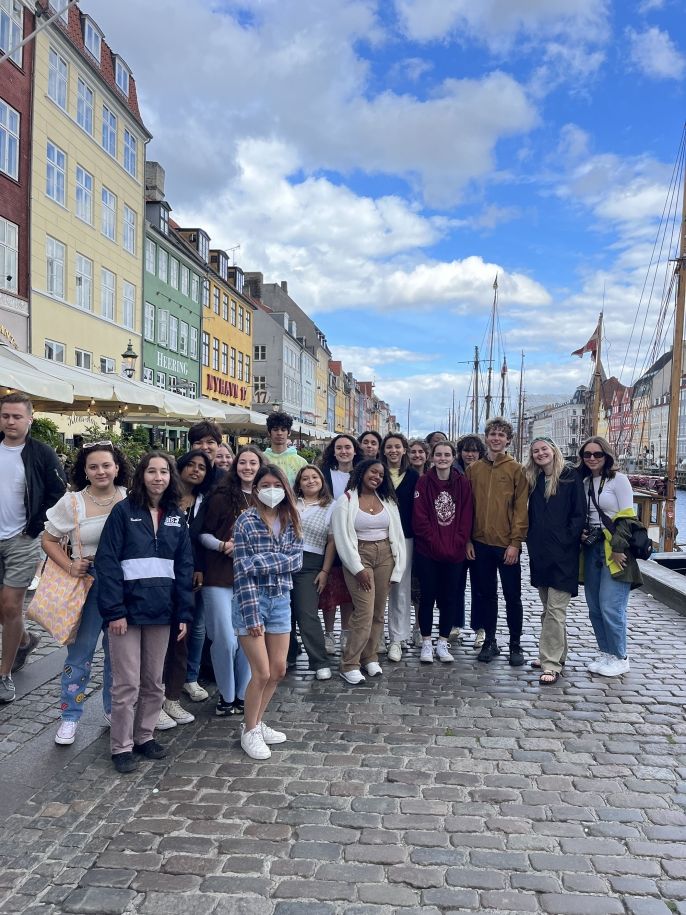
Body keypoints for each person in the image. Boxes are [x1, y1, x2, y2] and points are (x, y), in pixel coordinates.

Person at [96, 452, 194, 774]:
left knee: (154, 682)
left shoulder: (177, 517)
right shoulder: (123, 513)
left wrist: (183, 613)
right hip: (126, 613)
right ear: (142, 475)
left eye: (164, 471)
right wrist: (114, 611)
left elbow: (184, 568)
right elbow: (107, 564)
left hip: (162, 613)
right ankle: (121, 746)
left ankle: (144, 736)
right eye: (152, 471)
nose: (158, 477)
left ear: (171, 477)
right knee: (126, 685)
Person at [43, 442, 130, 745]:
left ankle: (112, 709)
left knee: (117, 654)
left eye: (106, 465)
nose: (101, 471)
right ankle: (70, 716)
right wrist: (70, 565)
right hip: (89, 583)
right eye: (93, 467)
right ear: (85, 471)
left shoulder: (128, 498)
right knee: (81, 653)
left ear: (117, 467)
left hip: (122, 582)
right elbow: (49, 539)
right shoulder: (73, 502)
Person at [232, 464, 303, 759]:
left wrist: (260, 561)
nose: (271, 489)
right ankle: (249, 731)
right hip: (252, 601)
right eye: (265, 484)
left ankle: (257, 722)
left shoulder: (290, 518)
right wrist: (251, 617)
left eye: (276, 483)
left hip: (281, 600)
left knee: (278, 669)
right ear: (257, 488)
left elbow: (296, 562)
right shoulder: (245, 522)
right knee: (260, 672)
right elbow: (241, 570)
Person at [0, 393, 67, 703]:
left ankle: (4, 674)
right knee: (3, 609)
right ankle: (25, 640)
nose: (10, 421)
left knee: (12, 606)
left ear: (29, 419)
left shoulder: (41, 453)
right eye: (5, 416)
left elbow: (58, 494)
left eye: (16, 416)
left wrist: (36, 528)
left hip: (22, 539)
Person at [332, 459, 405, 685]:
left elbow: (398, 535)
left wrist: (397, 569)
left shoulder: (387, 500)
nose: (377, 477)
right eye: (373, 472)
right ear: (362, 472)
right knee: (363, 611)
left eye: (381, 475)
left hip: (385, 556)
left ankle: (370, 656)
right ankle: (349, 663)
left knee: (378, 612)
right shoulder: (346, 501)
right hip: (359, 555)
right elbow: (342, 539)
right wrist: (357, 568)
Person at [199, 445, 260, 716]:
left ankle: (241, 694)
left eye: (253, 463)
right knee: (225, 638)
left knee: (249, 636)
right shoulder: (221, 496)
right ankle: (225, 693)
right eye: (243, 463)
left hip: (253, 577)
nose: (247, 468)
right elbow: (202, 534)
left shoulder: (267, 496)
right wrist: (223, 545)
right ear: (235, 466)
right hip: (220, 574)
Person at [466, 417, 528, 666]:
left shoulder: (516, 470)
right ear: (486, 437)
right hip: (480, 543)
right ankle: (490, 640)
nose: (496, 438)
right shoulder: (474, 470)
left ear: (508, 440)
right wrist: (468, 540)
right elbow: (467, 509)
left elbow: (521, 509)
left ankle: (515, 643)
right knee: (486, 594)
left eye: (501, 435)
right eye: (492, 434)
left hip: (506, 544)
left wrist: (515, 542)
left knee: (513, 595)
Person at [577, 436, 641, 677]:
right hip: (591, 548)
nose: (592, 458)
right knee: (594, 606)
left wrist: (618, 547)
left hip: (615, 549)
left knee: (611, 606)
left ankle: (620, 656)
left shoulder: (619, 480)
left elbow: (627, 517)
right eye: (587, 454)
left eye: (597, 454)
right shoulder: (583, 482)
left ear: (607, 456)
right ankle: (606, 652)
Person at [158, 450, 213, 729]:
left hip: (189, 573)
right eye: (190, 464)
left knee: (187, 632)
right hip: (159, 575)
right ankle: (157, 697)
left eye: (201, 467)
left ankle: (176, 692)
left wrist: (198, 567)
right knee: (159, 636)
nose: (195, 470)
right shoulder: (164, 499)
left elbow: (201, 538)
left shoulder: (205, 500)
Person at [524, 437, 586, 685]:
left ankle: (551, 663)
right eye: (536, 451)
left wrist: (567, 540)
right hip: (541, 554)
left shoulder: (570, 478)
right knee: (549, 609)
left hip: (563, 555)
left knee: (555, 611)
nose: (540, 454)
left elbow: (578, 514)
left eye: (544, 449)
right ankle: (557, 654)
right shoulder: (536, 480)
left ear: (553, 451)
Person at [413, 441, 473, 664]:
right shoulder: (423, 482)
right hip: (427, 551)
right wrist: (436, 543)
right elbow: (420, 519)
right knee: (427, 596)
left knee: (449, 598)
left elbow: (466, 517)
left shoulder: (462, 484)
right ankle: (427, 641)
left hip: (454, 552)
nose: (442, 458)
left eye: (447, 455)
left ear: (453, 457)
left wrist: (456, 542)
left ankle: (442, 641)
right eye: (438, 454)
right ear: (432, 457)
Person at [184, 421, 227, 701]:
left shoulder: (224, 478)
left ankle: (192, 674)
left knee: (200, 623)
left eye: (210, 442)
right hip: (180, 562)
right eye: (200, 442)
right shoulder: (183, 474)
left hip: (211, 561)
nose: (205, 447)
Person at [318, 434, 363, 654]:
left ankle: (346, 632)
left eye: (348, 447)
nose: (344, 451)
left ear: (355, 450)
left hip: (355, 536)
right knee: (330, 588)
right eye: (339, 448)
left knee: (347, 588)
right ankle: (328, 633)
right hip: (328, 535)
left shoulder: (361, 474)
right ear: (333, 451)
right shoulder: (325, 474)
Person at [291, 465, 336, 680]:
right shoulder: (290, 503)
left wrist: (325, 570)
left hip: (310, 563)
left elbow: (331, 541)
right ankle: (288, 655)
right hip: (284, 559)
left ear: (321, 480)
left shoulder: (331, 506)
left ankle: (319, 661)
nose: (310, 481)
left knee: (306, 613)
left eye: (314, 477)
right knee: (283, 613)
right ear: (298, 483)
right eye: (305, 478)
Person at [381, 433, 418, 662]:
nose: (393, 450)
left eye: (398, 447)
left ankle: (397, 638)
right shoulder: (376, 472)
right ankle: (374, 636)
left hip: (405, 536)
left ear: (404, 450)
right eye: (389, 447)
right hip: (378, 536)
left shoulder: (413, 476)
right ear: (384, 450)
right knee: (376, 588)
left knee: (401, 588)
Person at [454, 434, 487, 648]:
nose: (470, 454)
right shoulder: (453, 472)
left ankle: (480, 628)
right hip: (457, 537)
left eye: (474, 450)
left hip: (481, 537)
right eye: (466, 449)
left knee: (480, 585)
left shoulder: (485, 471)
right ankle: (454, 624)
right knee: (455, 584)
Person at [263, 411, 307, 485]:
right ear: (269, 432)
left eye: (283, 430)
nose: (279, 433)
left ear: (289, 432)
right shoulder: (261, 459)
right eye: (275, 429)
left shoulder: (301, 462)